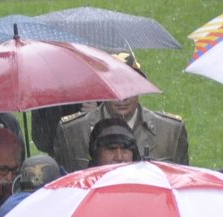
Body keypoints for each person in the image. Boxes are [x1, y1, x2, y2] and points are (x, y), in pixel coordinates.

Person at [53, 55, 188, 172]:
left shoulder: (170, 131)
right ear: (102, 87)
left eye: (130, 85)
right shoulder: (72, 131)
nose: (123, 97)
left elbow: (183, 185)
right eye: (115, 85)